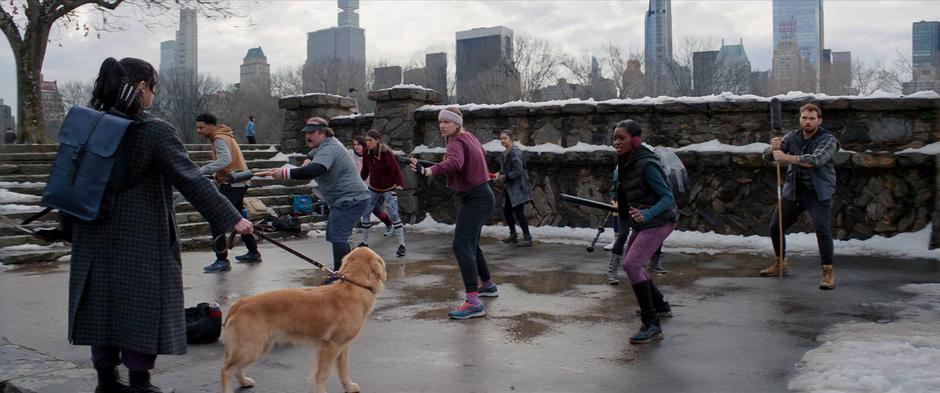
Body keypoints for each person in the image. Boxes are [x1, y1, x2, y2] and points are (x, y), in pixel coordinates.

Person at [69, 57, 252, 393]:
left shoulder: (88, 126)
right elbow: (191, 180)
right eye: (152, 88)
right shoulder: (153, 130)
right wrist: (234, 218)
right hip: (141, 240)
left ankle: (106, 382)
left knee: (102, 307)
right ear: (141, 88)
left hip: (92, 235)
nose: (153, 96)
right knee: (141, 309)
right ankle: (140, 384)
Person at [409, 107, 496, 320]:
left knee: (461, 244)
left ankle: (473, 302)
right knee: (471, 243)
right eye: (440, 122)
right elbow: (459, 164)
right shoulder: (468, 137)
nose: (442, 125)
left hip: (476, 198)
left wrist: (429, 171)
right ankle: (487, 285)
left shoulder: (456, 141)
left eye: (447, 122)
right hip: (483, 195)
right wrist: (426, 166)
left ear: (456, 124)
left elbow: (455, 163)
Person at [264, 117, 370, 275]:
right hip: (346, 199)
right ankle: (348, 272)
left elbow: (315, 170)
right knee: (337, 234)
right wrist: (308, 159)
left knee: (337, 235)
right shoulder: (324, 146)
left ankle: (340, 276)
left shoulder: (330, 148)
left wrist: (284, 173)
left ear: (323, 133)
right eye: (306, 133)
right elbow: (312, 156)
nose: (307, 136)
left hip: (351, 199)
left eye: (311, 133)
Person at [761, 103, 839, 290]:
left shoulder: (828, 140)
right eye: (804, 118)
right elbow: (767, 157)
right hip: (794, 192)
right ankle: (780, 262)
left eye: (812, 118)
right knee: (775, 226)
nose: (808, 122)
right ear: (800, 119)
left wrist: (787, 158)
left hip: (818, 193)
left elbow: (816, 160)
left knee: (822, 229)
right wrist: (772, 148)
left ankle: (828, 272)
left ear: (819, 120)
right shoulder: (792, 137)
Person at [612, 119, 675, 344]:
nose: (617, 142)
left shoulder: (646, 163)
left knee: (631, 264)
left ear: (635, 140)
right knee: (633, 263)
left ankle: (651, 324)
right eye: (615, 138)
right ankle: (660, 305)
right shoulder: (626, 161)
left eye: (622, 138)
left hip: (660, 220)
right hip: (643, 221)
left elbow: (668, 198)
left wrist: (647, 214)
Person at [196, 113, 262, 273]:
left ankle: (222, 260)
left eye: (201, 127)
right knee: (238, 216)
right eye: (197, 127)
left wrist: (202, 170)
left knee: (216, 218)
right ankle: (253, 252)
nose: (199, 130)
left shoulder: (219, 138)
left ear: (211, 126)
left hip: (233, 183)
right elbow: (228, 162)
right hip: (239, 181)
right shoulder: (225, 136)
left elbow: (224, 160)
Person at [360, 129, 408, 257]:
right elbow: (365, 169)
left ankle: (402, 244)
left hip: (389, 186)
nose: (368, 143)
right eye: (366, 140)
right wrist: (359, 182)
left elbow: (395, 169)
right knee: (365, 211)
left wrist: (399, 184)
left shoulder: (386, 153)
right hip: (374, 186)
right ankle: (364, 242)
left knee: (393, 213)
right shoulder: (366, 152)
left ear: (377, 140)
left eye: (370, 140)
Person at [351, 135, 394, 238]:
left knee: (376, 211)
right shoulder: (352, 158)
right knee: (352, 211)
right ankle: (348, 235)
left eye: (359, 144)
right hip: (357, 190)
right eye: (355, 145)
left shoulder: (371, 155)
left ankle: (389, 225)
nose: (357, 147)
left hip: (372, 189)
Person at [497, 130, 533, 247]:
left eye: (505, 138)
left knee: (519, 212)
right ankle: (513, 235)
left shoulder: (515, 153)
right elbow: (506, 170)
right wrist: (499, 175)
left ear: (511, 139)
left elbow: (518, 171)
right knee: (507, 210)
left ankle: (527, 238)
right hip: (510, 187)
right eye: (501, 138)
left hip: (518, 187)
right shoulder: (505, 153)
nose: (502, 140)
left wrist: (505, 177)